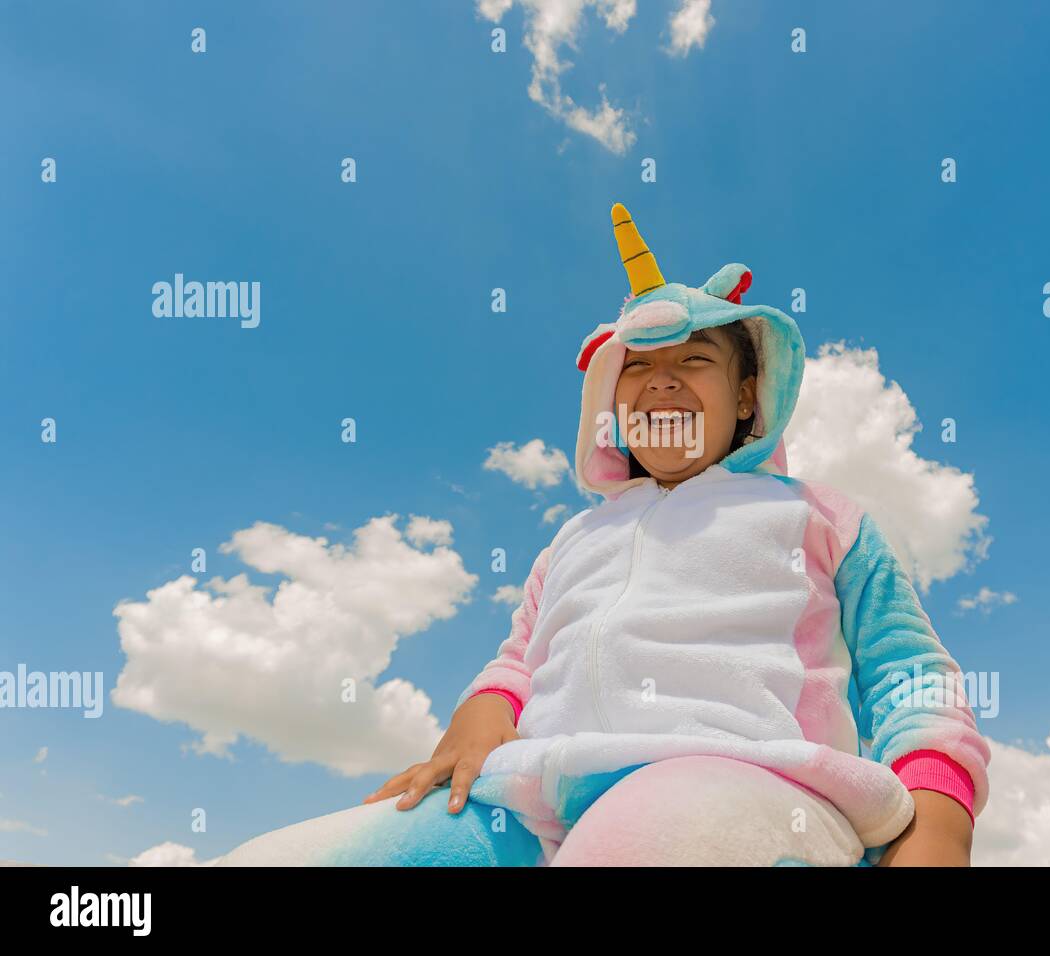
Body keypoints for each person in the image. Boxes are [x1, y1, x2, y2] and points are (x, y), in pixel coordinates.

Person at [214, 204, 990, 867]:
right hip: (530, 797)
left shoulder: (820, 516)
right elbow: (519, 657)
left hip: (751, 784)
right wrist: (485, 704)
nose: (663, 379)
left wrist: (939, 817)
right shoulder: (573, 539)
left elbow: (909, 674)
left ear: (748, 395)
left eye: (694, 360)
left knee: (639, 840)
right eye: (639, 366)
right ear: (610, 399)